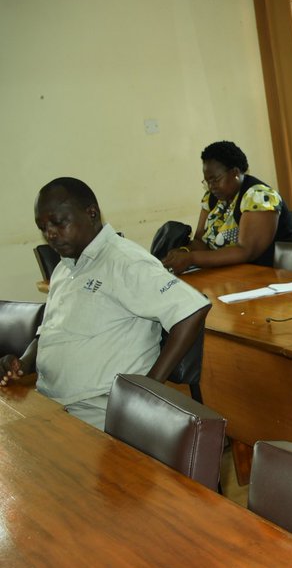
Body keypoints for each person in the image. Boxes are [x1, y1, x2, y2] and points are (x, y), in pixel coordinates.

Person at [1, 178, 210, 429]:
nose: (50, 234)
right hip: (52, 402)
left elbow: (191, 310)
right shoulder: (63, 269)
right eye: (43, 227)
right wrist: (22, 363)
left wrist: (149, 389)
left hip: (98, 411)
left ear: (91, 213)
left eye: (58, 222)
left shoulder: (123, 260)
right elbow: (47, 333)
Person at [161, 140, 292, 272]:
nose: (211, 186)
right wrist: (183, 251)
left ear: (235, 173)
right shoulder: (213, 198)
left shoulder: (259, 197)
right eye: (207, 181)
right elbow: (199, 241)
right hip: (228, 273)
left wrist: (192, 258)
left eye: (216, 180)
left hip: (268, 275)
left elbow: (246, 251)